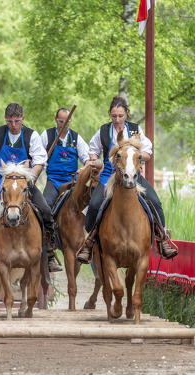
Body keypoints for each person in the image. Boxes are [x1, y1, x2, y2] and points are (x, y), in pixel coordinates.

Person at [76, 96, 177, 263]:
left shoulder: (136, 130)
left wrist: (136, 156)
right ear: (110, 115)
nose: (117, 120)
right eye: (114, 116)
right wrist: (94, 160)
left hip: (133, 174)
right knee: (94, 205)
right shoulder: (103, 131)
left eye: (120, 116)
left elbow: (147, 152)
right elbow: (93, 150)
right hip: (109, 176)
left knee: (154, 201)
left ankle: (162, 239)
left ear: (126, 114)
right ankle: (89, 242)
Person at [0, 103, 63, 276]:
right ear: (6, 120)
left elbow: (40, 161)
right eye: (10, 121)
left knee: (45, 211)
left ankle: (50, 253)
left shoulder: (31, 135)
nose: (13, 125)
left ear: (23, 119)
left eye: (17, 121)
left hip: (24, 180)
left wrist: (30, 177)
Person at [40, 108, 90, 208]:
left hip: (72, 181)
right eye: (61, 121)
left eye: (67, 121)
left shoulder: (76, 138)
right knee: (45, 205)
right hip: (54, 180)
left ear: (70, 121)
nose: (64, 124)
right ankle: (48, 224)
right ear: (56, 120)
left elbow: (88, 159)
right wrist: (42, 163)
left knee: (85, 205)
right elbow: (38, 158)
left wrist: (84, 168)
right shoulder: (47, 135)